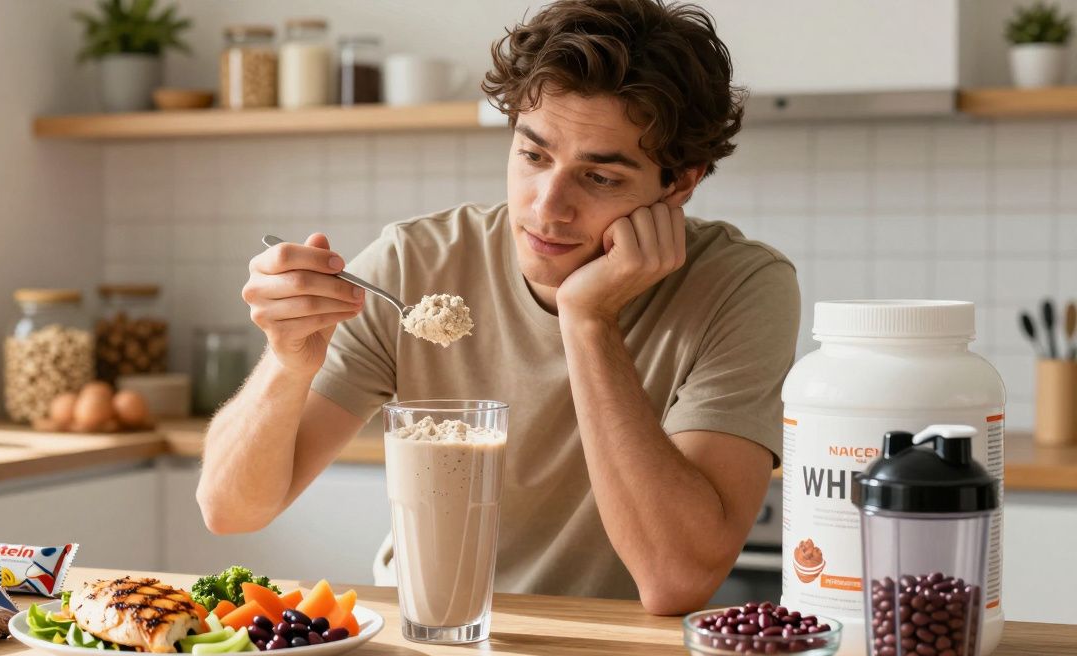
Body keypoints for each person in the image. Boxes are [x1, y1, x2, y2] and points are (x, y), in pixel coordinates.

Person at [196, 0, 800, 614]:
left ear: (680, 184)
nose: (547, 207)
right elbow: (230, 509)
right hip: (429, 631)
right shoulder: (415, 263)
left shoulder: (741, 287)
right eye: (533, 156)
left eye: (599, 178)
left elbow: (677, 579)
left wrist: (588, 319)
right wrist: (288, 363)